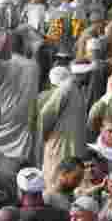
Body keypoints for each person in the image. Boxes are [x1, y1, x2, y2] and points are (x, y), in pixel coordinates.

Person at [39, 65, 87, 193]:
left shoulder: (64, 89)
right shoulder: (75, 90)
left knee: (54, 182)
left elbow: (46, 114)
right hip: (72, 148)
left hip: (60, 147)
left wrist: (43, 136)